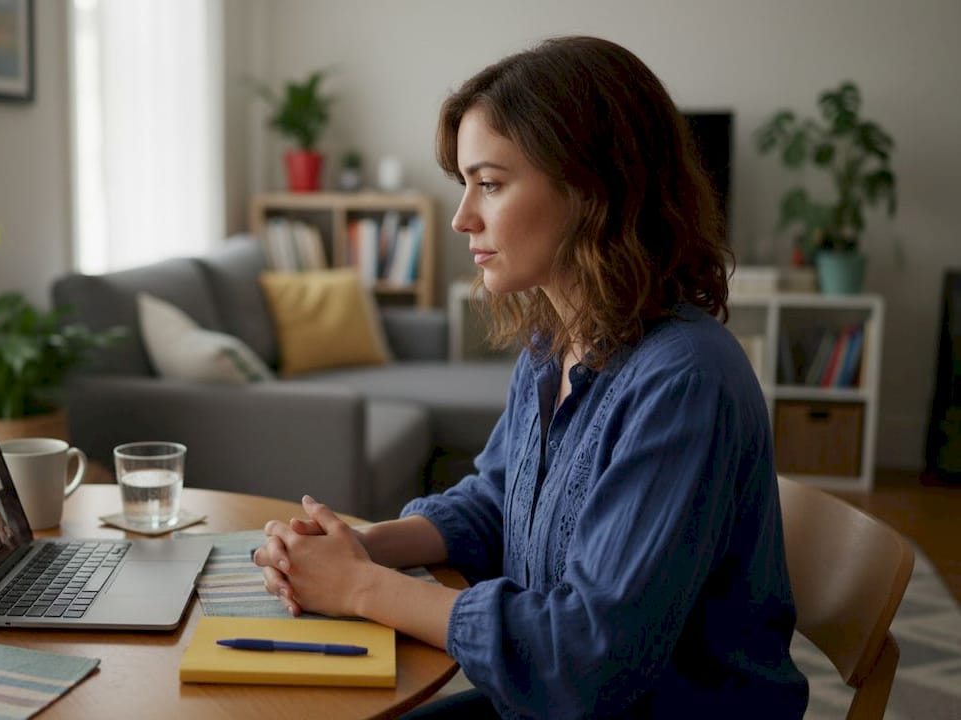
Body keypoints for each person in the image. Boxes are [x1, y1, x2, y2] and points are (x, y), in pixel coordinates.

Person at [253, 36, 808, 719]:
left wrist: (363, 588)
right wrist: (362, 546)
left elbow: (584, 657)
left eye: (489, 183)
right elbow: (499, 498)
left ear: (591, 187)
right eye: (465, 185)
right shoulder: (554, 347)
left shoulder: (686, 380)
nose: (462, 218)